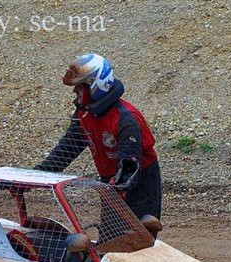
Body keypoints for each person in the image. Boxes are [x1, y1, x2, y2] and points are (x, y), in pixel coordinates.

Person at [35, 53, 162, 220]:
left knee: (139, 243)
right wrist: (33, 176)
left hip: (140, 185)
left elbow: (129, 167)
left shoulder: (125, 119)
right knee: (109, 239)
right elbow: (66, 150)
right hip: (111, 182)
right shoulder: (84, 114)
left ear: (95, 86)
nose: (75, 92)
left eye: (79, 87)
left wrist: (114, 190)